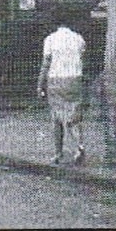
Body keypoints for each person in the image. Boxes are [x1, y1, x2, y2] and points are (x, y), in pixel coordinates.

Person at [37, 14, 87, 165]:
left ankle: (58, 153)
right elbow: (82, 60)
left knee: (57, 117)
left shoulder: (50, 39)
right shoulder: (79, 38)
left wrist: (40, 84)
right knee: (73, 115)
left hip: (56, 80)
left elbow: (46, 64)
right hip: (75, 79)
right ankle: (79, 146)